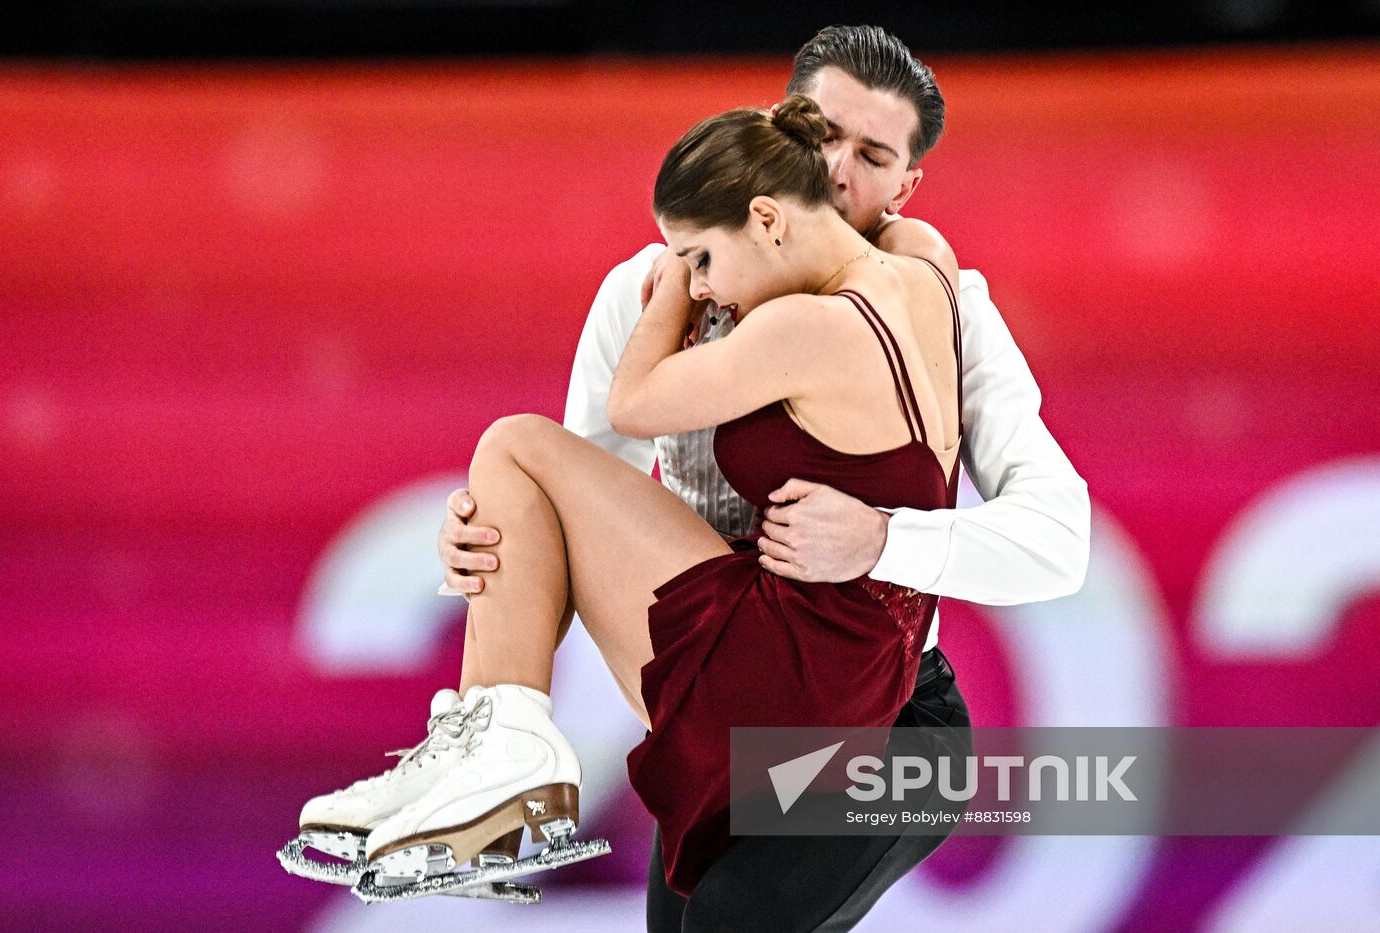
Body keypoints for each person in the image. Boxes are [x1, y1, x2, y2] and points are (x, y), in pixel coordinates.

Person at [441, 25, 1089, 931]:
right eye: (820, 135)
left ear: (904, 188)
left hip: (889, 726)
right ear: (777, 125)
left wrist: (881, 539)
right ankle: (487, 771)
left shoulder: (944, 307)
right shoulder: (653, 292)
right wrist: (491, 553)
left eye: (872, 156)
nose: (835, 171)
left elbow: (1059, 542)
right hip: (734, 699)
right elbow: (578, 498)